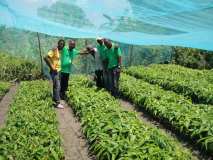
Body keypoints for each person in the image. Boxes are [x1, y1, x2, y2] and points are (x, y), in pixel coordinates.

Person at [44, 39, 64, 109]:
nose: (62, 45)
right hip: (55, 71)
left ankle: (55, 99)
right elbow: (46, 57)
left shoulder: (58, 51)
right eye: (61, 44)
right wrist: (52, 67)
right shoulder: (55, 49)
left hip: (58, 71)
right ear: (58, 44)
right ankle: (57, 103)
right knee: (57, 86)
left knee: (56, 86)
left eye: (63, 44)